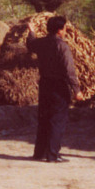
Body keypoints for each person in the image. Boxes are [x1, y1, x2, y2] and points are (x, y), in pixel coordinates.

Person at [27, 15, 84, 163]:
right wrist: (76, 90)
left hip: (45, 84)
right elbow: (68, 70)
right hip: (59, 86)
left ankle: (39, 153)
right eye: (64, 28)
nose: (65, 31)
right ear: (60, 30)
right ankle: (52, 154)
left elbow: (30, 44)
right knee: (58, 119)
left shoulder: (41, 43)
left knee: (44, 118)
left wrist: (31, 31)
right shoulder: (62, 46)